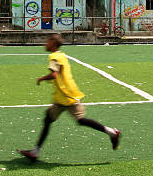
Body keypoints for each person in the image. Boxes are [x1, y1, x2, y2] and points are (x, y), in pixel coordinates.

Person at [17, 34, 121, 162]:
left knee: (68, 120)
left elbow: (54, 74)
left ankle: (35, 152)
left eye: (47, 41)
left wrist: (42, 78)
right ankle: (111, 133)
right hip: (67, 95)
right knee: (54, 119)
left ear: (53, 44)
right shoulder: (61, 55)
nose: (45, 44)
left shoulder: (54, 56)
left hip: (65, 97)